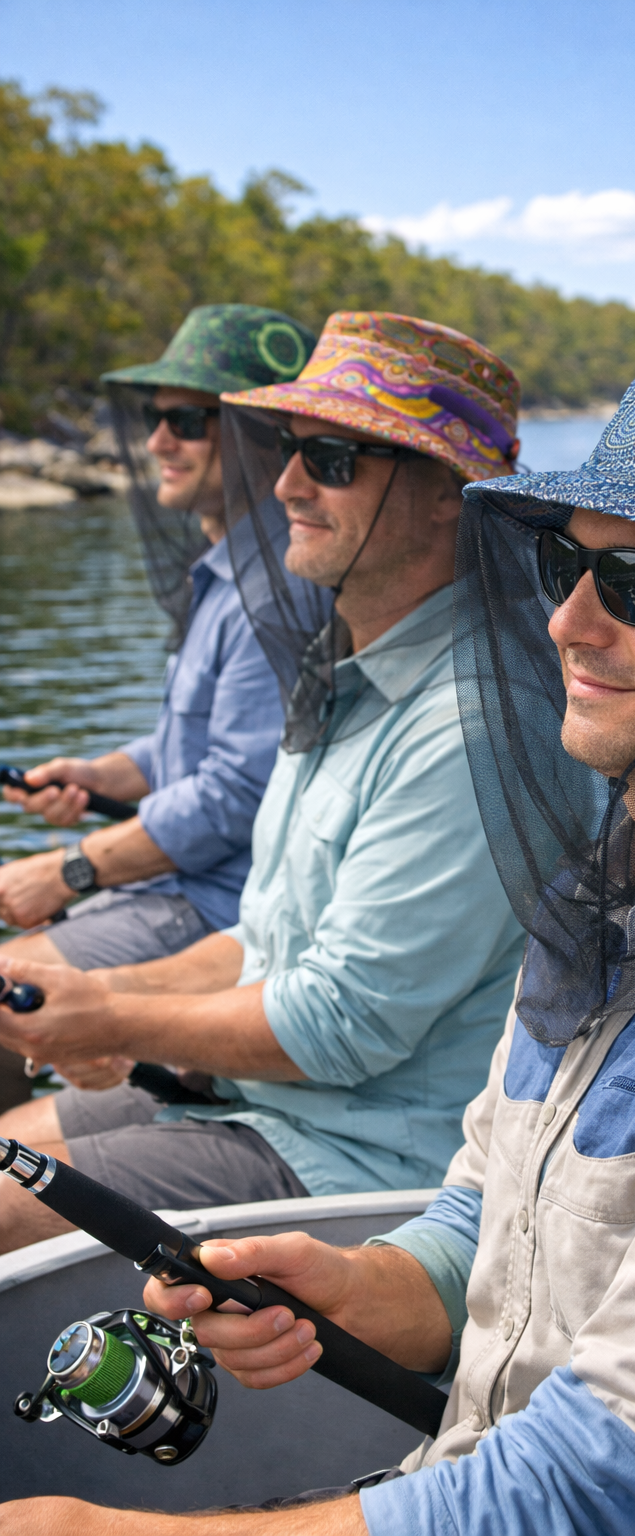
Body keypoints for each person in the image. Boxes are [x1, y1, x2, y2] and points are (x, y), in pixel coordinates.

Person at [10, 365, 635, 1536]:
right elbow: (489, 1221)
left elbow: (605, 1494)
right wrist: (367, 1283)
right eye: (563, 567)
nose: (567, 623)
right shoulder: (607, 905)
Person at [0, 313, 526, 1252]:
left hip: (362, 1164)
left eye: (332, 459)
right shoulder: (342, 681)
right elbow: (266, 936)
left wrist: (113, 1013)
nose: (285, 484)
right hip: (260, 1101)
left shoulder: (467, 727)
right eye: (289, 449)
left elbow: (341, 1024)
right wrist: (101, 1006)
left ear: (448, 493)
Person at [0, 305, 316, 1102]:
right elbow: (199, 742)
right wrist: (96, 774)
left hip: (211, 907)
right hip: (171, 887)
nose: (157, 443)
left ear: (263, 437)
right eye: (155, 418)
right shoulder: (229, 570)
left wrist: (69, 869)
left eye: (188, 421)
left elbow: (236, 793)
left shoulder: (274, 591)